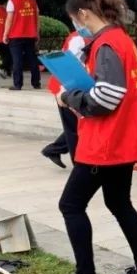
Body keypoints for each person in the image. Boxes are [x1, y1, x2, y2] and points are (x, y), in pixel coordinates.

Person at [49, 0, 137, 274]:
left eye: (74, 20)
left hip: (107, 143)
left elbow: (106, 99)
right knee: (119, 203)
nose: (75, 28)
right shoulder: (119, 39)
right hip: (124, 139)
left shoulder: (108, 44)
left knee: (70, 205)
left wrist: (69, 97)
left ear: (82, 14)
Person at [41, 24, 87, 168]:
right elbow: (68, 66)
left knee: (75, 126)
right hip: (67, 87)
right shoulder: (79, 39)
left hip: (74, 88)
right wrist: (63, 92)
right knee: (74, 129)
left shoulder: (85, 36)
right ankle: (78, 165)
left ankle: (53, 150)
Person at [2, 0, 41, 90]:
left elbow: (9, 20)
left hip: (16, 36)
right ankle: (36, 83)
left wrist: (5, 34)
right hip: (30, 35)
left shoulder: (12, 1)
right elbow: (37, 19)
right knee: (32, 59)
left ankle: (18, 84)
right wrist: (37, 33)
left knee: (17, 60)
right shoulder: (32, 1)